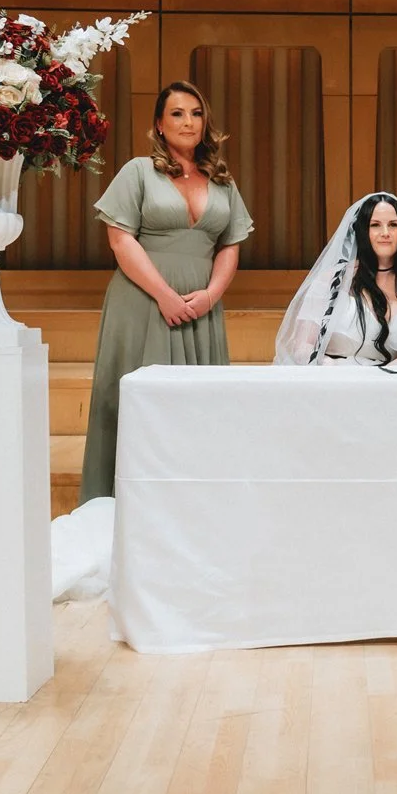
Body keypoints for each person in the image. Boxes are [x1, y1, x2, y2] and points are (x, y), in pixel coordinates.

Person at [78, 80, 253, 502]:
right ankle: (127, 504)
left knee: (200, 408)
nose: (188, 121)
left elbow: (230, 245)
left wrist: (211, 295)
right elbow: (121, 241)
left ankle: (194, 507)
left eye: (195, 113)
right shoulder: (138, 171)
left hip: (201, 308)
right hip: (143, 303)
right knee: (142, 408)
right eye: (177, 113)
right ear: (159, 124)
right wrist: (164, 295)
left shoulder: (222, 180)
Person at [275, 191, 397, 365]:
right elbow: (302, 347)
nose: (385, 232)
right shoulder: (331, 280)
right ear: (362, 230)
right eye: (375, 225)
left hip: (394, 384)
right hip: (336, 382)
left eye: (393, 225)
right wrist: (328, 366)